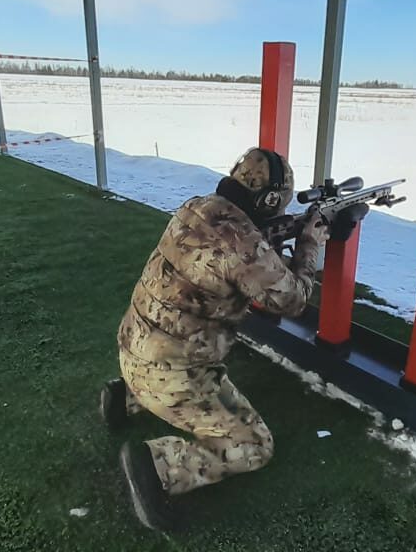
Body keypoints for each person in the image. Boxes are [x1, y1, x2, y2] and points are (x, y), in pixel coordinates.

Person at [99, 147, 329, 530]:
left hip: (131, 351)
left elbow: (234, 250)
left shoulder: (197, 206)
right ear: (270, 198)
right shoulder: (247, 244)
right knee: (254, 445)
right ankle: (156, 467)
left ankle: (123, 399)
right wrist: (310, 244)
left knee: (165, 360)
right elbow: (293, 300)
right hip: (173, 376)